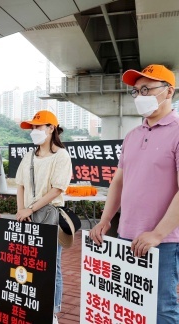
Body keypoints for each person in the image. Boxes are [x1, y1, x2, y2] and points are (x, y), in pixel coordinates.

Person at [89, 64, 179, 323]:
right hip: (125, 236)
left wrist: (158, 234)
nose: (139, 97)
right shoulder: (131, 136)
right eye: (136, 92)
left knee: (162, 309)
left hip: (162, 242)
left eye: (146, 89)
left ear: (168, 91)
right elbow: (119, 179)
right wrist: (106, 220)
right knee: (130, 306)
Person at [13, 110, 72, 323]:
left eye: (39, 127)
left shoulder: (61, 156)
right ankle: (33, 303)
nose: (34, 131)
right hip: (26, 216)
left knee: (51, 264)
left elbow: (57, 189)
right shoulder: (29, 156)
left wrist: (31, 208)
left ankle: (52, 310)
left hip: (48, 216)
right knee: (28, 262)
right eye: (32, 128)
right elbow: (19, 185)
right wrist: (22, 210)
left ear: (51, 128)